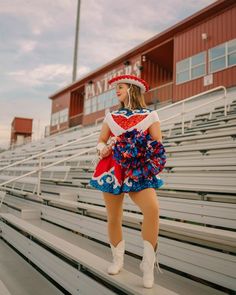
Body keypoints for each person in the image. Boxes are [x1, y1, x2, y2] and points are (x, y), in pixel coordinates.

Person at [89, 74, 166, 289]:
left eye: (120, 87)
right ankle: (118, 259)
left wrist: (141, 153)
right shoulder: (111, 116)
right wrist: (101, 150)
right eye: (116, 88)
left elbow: (157, 143)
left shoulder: (151, 115)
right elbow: (101, 141)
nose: (117, 91)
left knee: (152, 209)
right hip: (112, 168)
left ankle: (148, 265)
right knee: (114, 216)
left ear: (132, 89)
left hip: (138, 169)